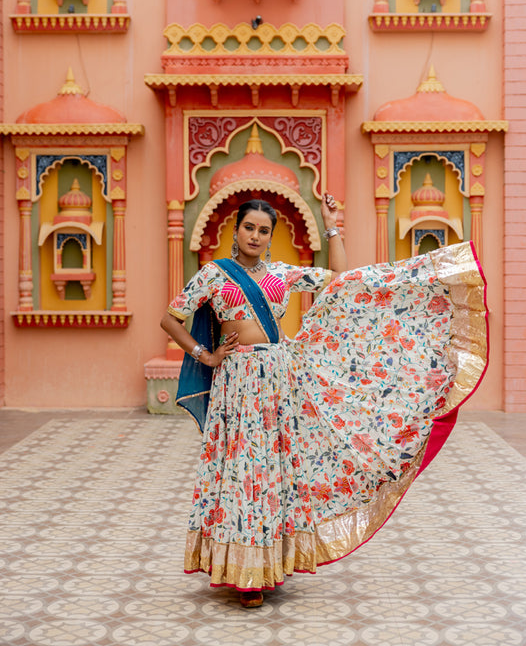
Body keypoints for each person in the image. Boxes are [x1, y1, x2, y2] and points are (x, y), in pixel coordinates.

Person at [160, 194, 488, 608]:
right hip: (236, 382)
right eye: (249, 228)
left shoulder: (280, 273)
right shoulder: (213, 275)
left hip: (278, 377)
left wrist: (332, 223)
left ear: (271, 236)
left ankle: (267, 565)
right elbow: (170, 317)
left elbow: (340, 277)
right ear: (235, 230)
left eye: (264, 230)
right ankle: (243, 574)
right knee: (243, 467)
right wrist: (204, 355)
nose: (256, 236)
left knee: (273, 468)